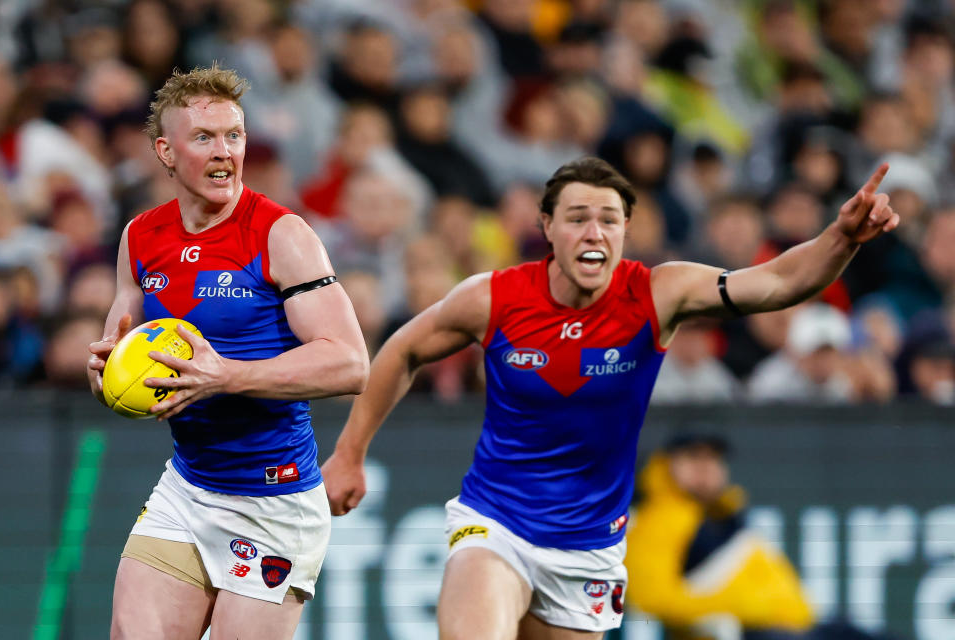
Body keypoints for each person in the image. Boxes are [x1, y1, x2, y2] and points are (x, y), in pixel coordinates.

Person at [322, 155, 898, 639]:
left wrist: (840, 238)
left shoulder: (658, 294)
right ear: (546, 227)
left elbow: (775, 283)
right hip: (496, 522)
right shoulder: (494, 299)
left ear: (626, 230)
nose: (594, 232)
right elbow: (401, 351)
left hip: (588, 549)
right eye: (576, 218)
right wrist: (350, 452)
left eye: (609, 219)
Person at [85, 66, 369, 640]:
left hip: (275, 499)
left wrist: (226, 376)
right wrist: (108, 374)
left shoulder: (280, 234)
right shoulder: (140, 236)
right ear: (165, 151)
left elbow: (349, 362)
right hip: (188, 489)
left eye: (233, 136)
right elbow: (126, 344)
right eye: (205, 138)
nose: (225, 152)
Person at [624, 434, 902, 640]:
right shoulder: (659, 519)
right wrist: (731, 614)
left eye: (712, 458)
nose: (705, 467)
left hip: (797, 625)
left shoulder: (725, 514)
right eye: (694, 457)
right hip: (751, 632)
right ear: (668, 464)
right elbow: (650, 597)